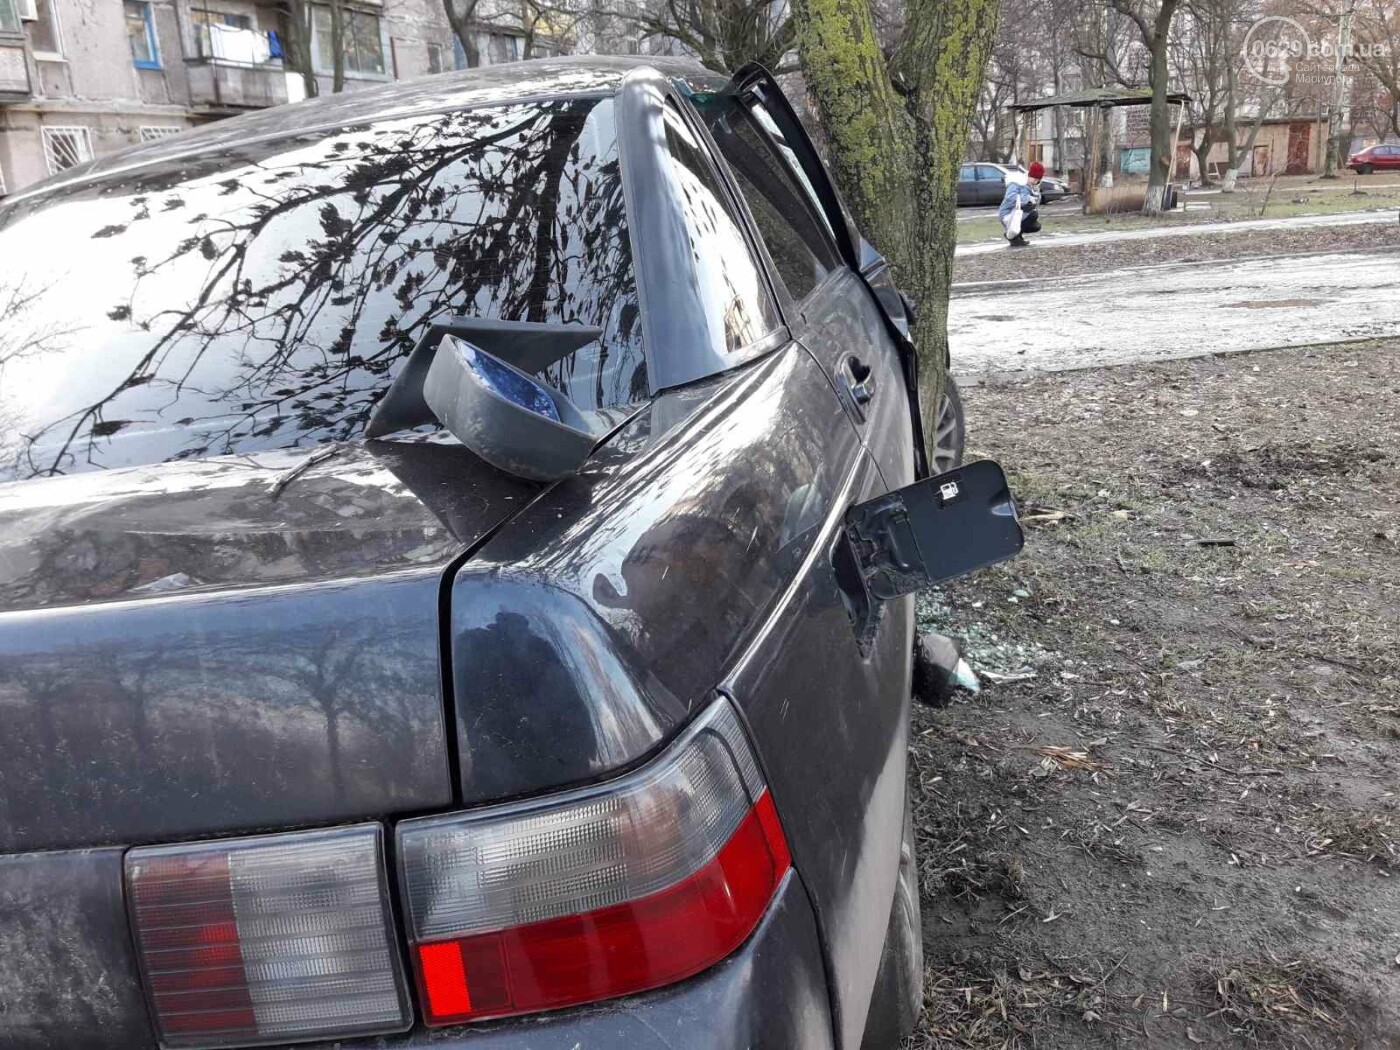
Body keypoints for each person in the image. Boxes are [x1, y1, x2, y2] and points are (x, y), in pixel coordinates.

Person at [999, 160, 1045, 248]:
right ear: (1029, 175)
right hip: (1007, 213)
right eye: (1034, 179)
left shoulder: (1032, 186)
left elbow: (1036, 201)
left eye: (1038, 180)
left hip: (1018, 212)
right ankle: (1012, 236)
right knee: (1033, 215)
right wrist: (1028, 199)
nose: (1035, 182)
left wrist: (1035, 195)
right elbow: (1010, 197)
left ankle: (1016, 236)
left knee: (1036, 226)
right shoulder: (1017, 182)